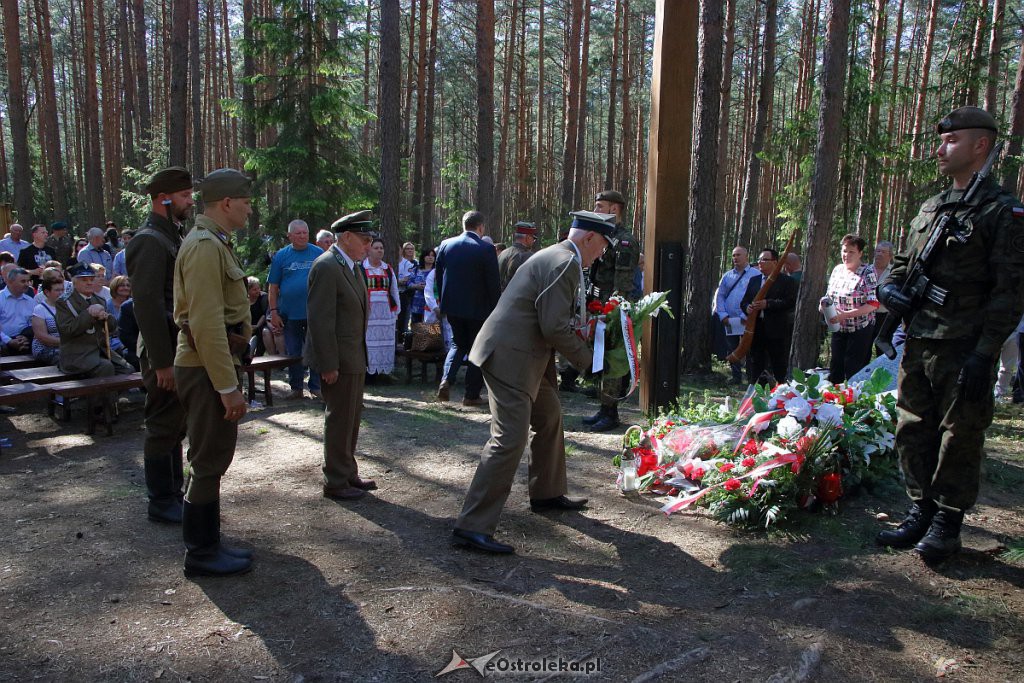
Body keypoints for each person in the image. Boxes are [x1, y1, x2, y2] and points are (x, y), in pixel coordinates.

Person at [876, 106, 1024, 561]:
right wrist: (889, 290)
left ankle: (947, 521)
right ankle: (920, 509)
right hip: (920, 339)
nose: (941, 149)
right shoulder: (932, 207)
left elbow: (1009, 292)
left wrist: (985, 354)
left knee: (959, 435)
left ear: (981, 146)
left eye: (952, 141)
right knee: (911, 429)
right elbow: (903, 265)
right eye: (941, 141)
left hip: (965, 344)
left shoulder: (1003, 212)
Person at [452, 211, 616, 554]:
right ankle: (472, 526)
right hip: (511, 357)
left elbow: (551, 316)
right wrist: (590, 363)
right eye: (602, 245)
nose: (602, 253)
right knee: (508, 439)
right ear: (588, 238)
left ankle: (547, 493)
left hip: (525, 356)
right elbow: (553, 326)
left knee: (549, 415)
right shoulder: (564, 262)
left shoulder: (559, 255)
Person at [173, 168, 255, 578]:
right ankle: (201, 553)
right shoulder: (205, 246)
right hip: (206, 369)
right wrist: (227, 387)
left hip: (209, 365)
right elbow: (205, 326)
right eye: (245, 202)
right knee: (208, 459)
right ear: (226, 203)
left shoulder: (215, 243)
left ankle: (209, 543)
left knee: (212, 456)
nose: (249, 209)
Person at [126, 166, 194, 525]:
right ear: (163, 198)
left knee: (175, 424)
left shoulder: (171, 236)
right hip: (161, 351)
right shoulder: (149, 240)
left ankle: (173, 493)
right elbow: (148, 306)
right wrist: (162, 362)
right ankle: (160, 500)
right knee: (162, 424)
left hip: (173, 348)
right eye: (184, 196)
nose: (190, 201)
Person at [304, 210, 378, 501]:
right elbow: (320, 321)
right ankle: (334, 480)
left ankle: (347, 472)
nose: (368, 245)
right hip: (338, 360)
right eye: (364, 239)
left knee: (351, 417)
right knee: (338, 419)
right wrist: (328, 364)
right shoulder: (326, 267)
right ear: (346, 237)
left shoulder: (352, 266)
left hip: (354, 355)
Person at [582, 190, 640, 432]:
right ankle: (604, 409)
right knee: (600, 359)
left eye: (600, 206)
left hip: (613, 310)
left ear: (614, 210)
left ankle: (611, 412)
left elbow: (623, 282)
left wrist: (613, 309)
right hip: (599, 305)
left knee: (612, 362)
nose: (596, 211)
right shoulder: (604, 236)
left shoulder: (624, 241)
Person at [435, 210, 501, 407]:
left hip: (453, 307)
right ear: (481, 227)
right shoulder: (486, 249)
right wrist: (496, 308)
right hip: (478, 309)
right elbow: (493, 283)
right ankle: (471, 395)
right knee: (476, 348)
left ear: (464, 225)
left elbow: (439, 277)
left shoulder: (446, 245)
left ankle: (446, 379)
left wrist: (443, 301)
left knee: (457, 344)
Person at [268, 219, 324, 400]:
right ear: (289, 235)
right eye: (298, 233)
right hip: (289, 314)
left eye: (305, 233)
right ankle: (296, 387)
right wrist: (274, 312)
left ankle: (316, 387)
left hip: (314, 313)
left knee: (315, 349)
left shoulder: (318, 253)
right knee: (293, 351)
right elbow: (273, 287)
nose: (302, 236)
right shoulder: (281, 256)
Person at [55, 262, 134, 378]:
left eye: (91, 279)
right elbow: (68, 330)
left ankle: (108, 396)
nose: (89, 283)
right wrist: (89, 314)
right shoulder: (64, 302)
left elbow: (112, 329)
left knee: (128, 370)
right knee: (106, 368)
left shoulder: (99, 300)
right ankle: (101, 396)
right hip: (76, 355)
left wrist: (105, 318)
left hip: (99, 351)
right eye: (84, 280)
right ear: (74, 281)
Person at [820, 234, 878, 384]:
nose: (846, 255)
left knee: (853, 368)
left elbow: (873, 304)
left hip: (860, 328)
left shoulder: (868, 272)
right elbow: (828, 295)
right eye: (844, 251)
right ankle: (834, 401)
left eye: (851, 252)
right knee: (836, 367)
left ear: (860, 253)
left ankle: (855, 402)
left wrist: (846, 315)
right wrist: (824, 306)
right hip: (838, 327)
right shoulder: (837, 270)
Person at [740, 248, 797, 386]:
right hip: (756, 328)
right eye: (759, 259)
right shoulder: (754, 280)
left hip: (776, 329)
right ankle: (754, 390)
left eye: (764, 259)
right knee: (755, 362)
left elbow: (790, 302)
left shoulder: (786, 281)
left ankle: (781, 391)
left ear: (775, 262)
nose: (760, 262)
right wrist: (747, 307)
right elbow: (744, 301)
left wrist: (768, 304)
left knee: (778, 363)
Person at [714, 246, 759, 385]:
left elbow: (756, 296)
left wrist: (745, 315)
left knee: (750, 348)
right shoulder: (728, 276)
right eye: (733, 255)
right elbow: (720, 296)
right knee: (732, 347)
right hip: (730, 320)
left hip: (747, 319)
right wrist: (723, 315)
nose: (735, 258)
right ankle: (736, 376)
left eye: (738, 255)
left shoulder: (755, 274)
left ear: (746, 256)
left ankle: (752, 377)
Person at [363, 238, 400, 382]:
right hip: (369, 313)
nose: (379, 250)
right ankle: (368, 373)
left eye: (381, 248)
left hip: (386, 313)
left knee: (385, 342)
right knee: (368, 342)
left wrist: (396, 310)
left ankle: (383, 372)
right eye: (376, 248)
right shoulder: (361, 268)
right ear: (369, 250)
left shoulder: (388, 269)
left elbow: (394, 290)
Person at [31, 273, 64, 364]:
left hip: (65, 347)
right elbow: (42, 337)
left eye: (62, 290)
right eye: (57, 290)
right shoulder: (39, 309)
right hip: (45, 349)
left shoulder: (67, 307)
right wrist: (66, 342)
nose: (61, 293)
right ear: (47, 292)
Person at [0, 268, 36, 353]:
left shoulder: (30, 301)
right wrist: (9, 341)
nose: (27, 284)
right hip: (3, 342)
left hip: (25, 340)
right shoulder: (1, 299)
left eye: (28, 281)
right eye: (23, 281)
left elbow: (33, 324)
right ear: (10, 282)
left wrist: (26, 338)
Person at [497, 221, 536, 291]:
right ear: (527, 238)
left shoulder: (503, 253)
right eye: (533, 238)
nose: (533, 241)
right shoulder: (529, 257)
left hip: (500, 299)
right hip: (517, 299)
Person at [408, 248, 436, 324]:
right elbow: (408, 283)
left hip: (432, 307)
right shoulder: (416, 270)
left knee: (432, 332)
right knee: (418, 332)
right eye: (428, 255)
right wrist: (416, 286)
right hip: (416, 306)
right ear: (423, 257)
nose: (430, 257)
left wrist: (429, 288)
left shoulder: (437, 271)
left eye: (433, 256)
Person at [396, 242, 418, 337]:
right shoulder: (396, 261)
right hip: (400, 292)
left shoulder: (415, 263)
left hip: (409, 293)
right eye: (407, 249)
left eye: (411, 249)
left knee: (406, 316)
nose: (409, 251)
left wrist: (398, 281)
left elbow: (406, 280)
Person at [247, 276, 270, 357]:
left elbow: (264, 314)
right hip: (248, 325)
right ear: (248, 291)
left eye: (258, 288)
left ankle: (257, 356)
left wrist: (256, 326)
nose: (258, 291)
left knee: (261, 331)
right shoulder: (244, 301)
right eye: (254, 289)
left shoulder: (263, 298)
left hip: (260, 324)